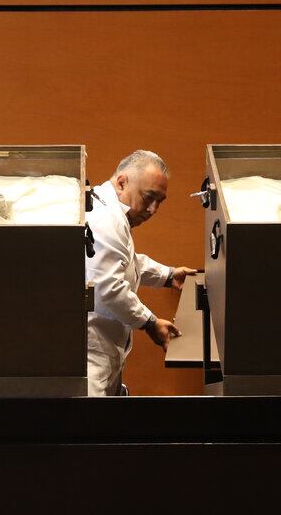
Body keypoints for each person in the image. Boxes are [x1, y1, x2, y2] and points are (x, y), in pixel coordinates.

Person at [85, 150, 197, 396]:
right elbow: (109, 288)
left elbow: (126, 262)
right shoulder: (106, 220)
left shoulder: (110, 210)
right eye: (148, 198)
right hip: (91, 354)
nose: (153, 209)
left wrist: (168, 275)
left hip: (103, 347)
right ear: (122, 182)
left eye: (160, 201)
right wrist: (150, 323)